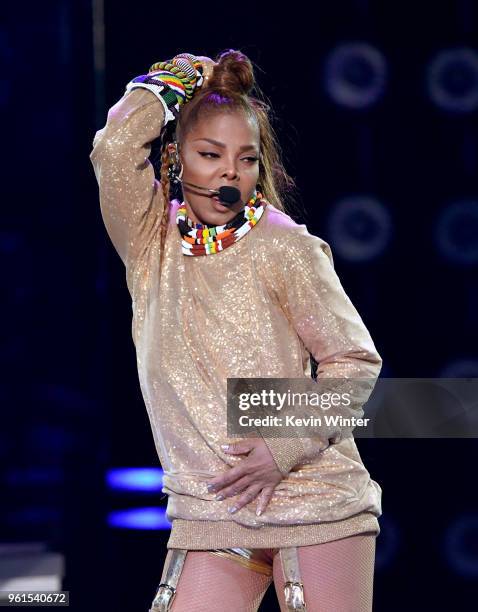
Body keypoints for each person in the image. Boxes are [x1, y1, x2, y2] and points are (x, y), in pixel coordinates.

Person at [90, 49, 383, 612]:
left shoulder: (286, 247)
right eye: (211, 154)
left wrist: (282, 446)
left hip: (315, 501)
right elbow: (114, 149)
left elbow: (355, 365)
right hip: (211, 510)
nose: (230, 171)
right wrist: (172, 80)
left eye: (246, 159)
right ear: (175, 159)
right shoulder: (152, 244)